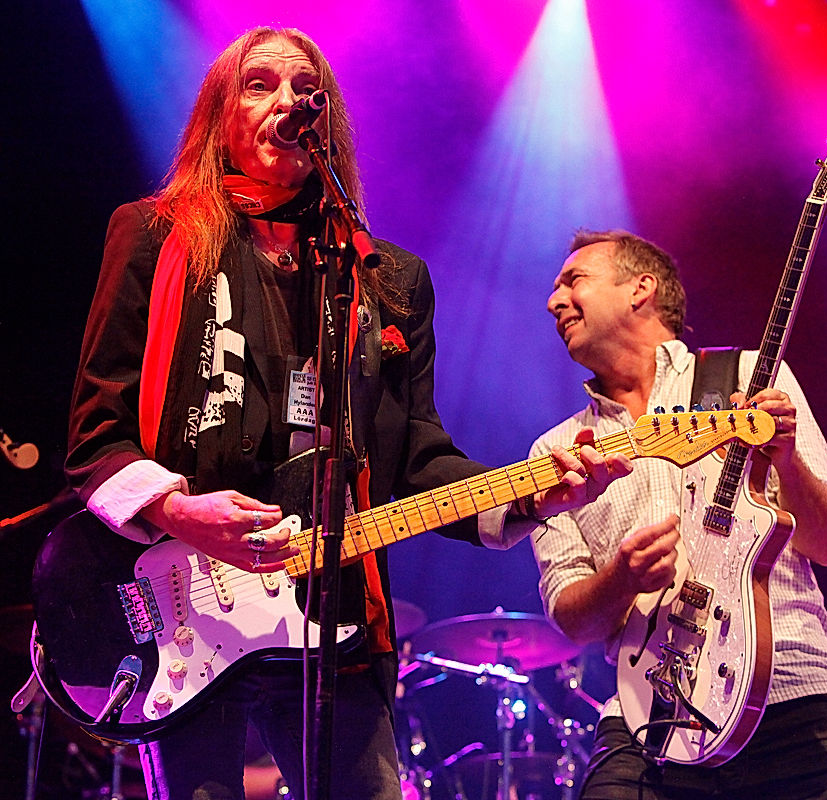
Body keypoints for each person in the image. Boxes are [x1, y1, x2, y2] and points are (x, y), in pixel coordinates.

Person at [63, 27, 626, 800]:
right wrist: (177, 509)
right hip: (181, 606)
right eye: (259, 85)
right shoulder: (155, 237)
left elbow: (415, 457)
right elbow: (96, 434)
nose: (287, 101)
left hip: (334, 614)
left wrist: (532, 493)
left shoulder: (386, 279)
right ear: (218, 115)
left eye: (306, 90)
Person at [524, 229, 827, 798]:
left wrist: (786, 461)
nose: (554, 301)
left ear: (641, 289)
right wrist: (622, 578)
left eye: (574, 281)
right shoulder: (558, 451)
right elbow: (571, 619)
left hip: (794, 694)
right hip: (651, 718)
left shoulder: (748, 377)